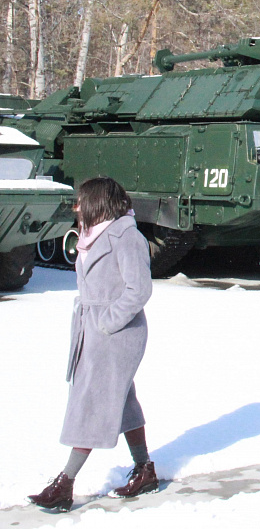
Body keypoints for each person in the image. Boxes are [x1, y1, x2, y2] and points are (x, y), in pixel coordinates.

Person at [29, 177, 157, 512]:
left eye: (82, 201)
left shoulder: (127, 237)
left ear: (100, 203)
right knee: (122, 399)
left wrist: (107, 321)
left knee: (92, 403)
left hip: (116, 333)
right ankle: (145, 470)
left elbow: (139, 290)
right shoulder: (92, 235)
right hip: (92, 328)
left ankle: (64, 484)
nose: (76, 207)